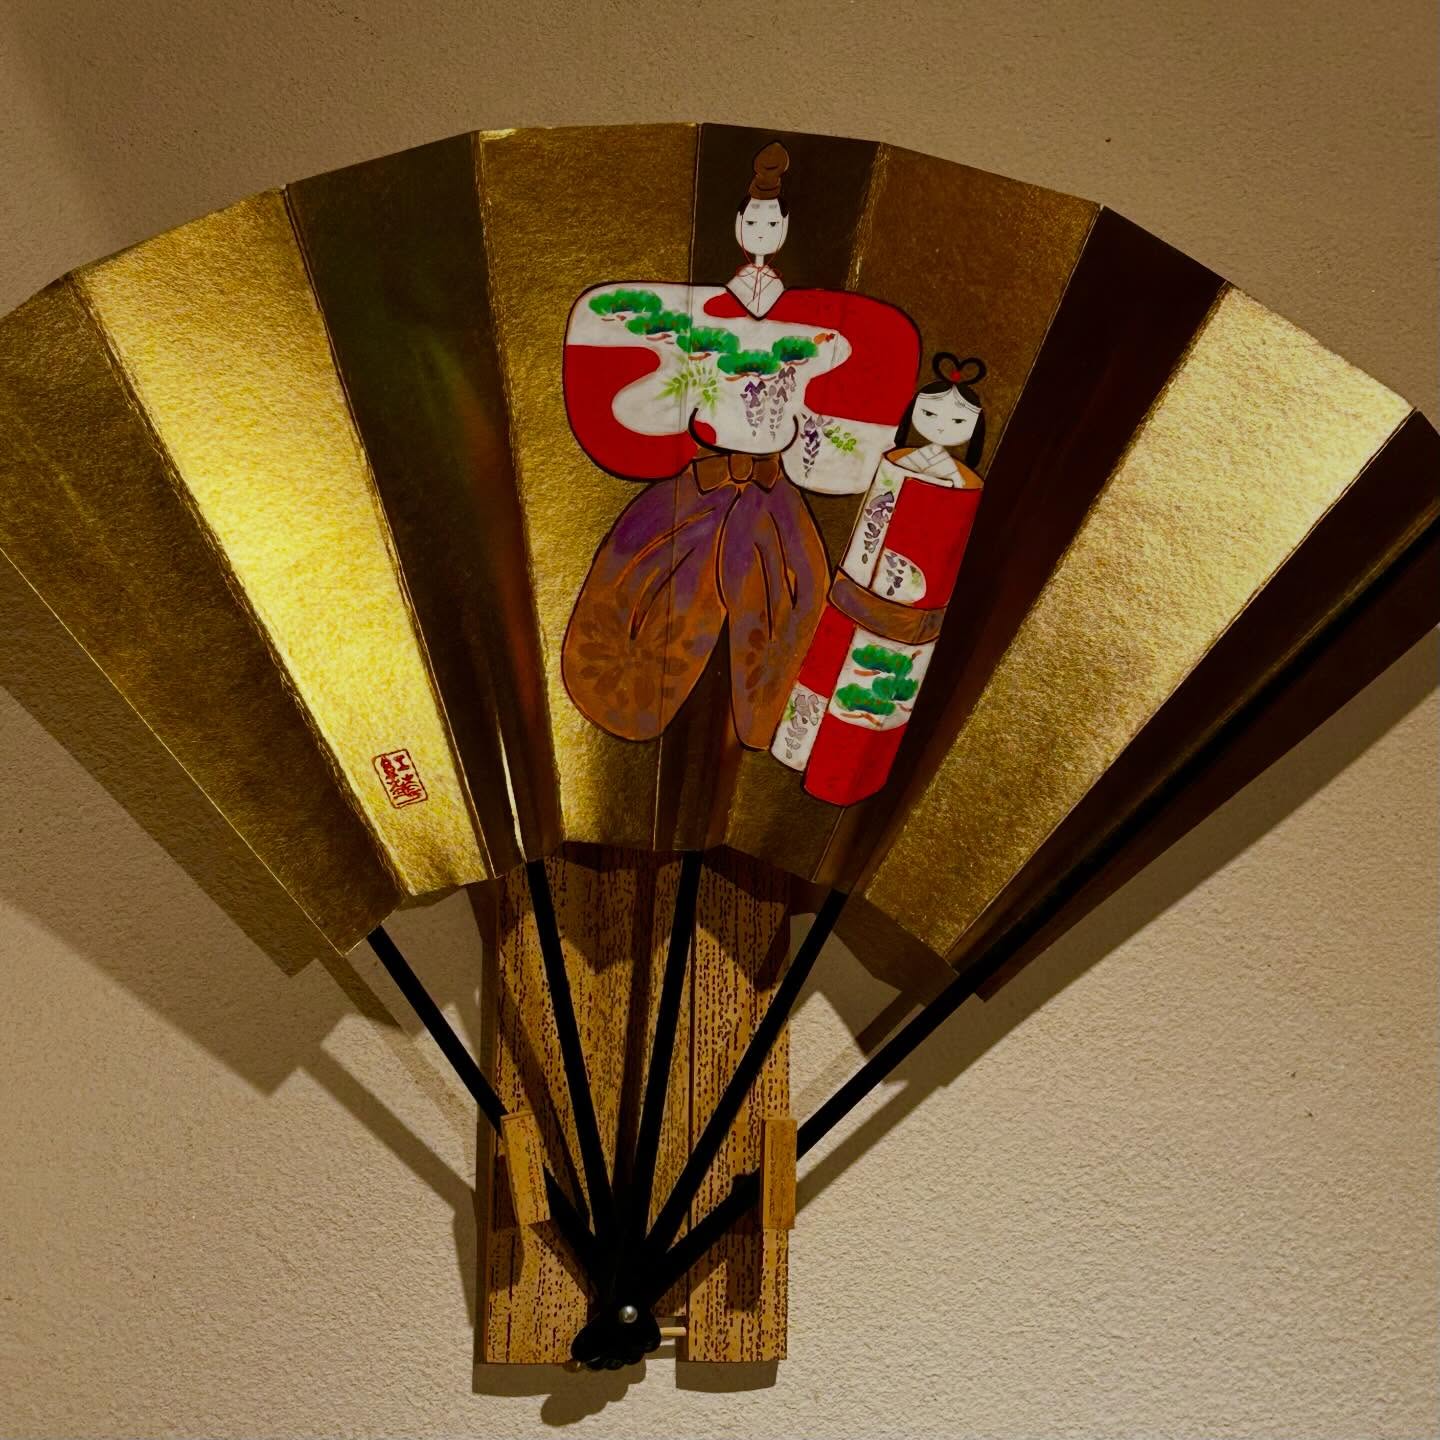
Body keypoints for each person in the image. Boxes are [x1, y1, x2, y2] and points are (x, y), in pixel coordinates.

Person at [770, 354, 987, 806]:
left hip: (900, 617)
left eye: (957, 420)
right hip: (853, 593)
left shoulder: (962, 486)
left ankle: (838, 782)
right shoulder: (894, 461)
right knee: (817, 688)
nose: (942, 426)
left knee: (864, 709)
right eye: (931, 414)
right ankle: (795, 755)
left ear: (974, 429)